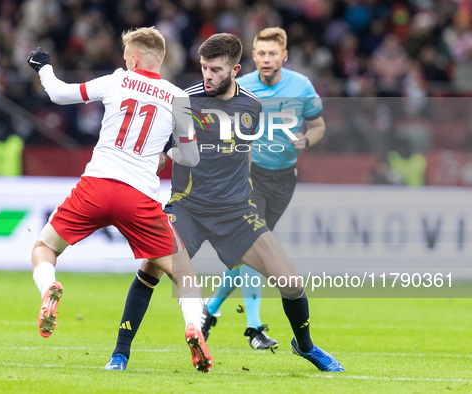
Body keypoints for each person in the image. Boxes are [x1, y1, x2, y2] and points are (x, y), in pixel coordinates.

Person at [105, 32, 343, 373]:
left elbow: (244, 156)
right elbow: (159, 154)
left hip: (235, 213)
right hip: (187, 208)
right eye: (203, 68)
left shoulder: (252, 107)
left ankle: (305, 347)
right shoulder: (183, 102)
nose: (207, 76)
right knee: (150, 269)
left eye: (215, 70)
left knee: (292, 283)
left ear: (235, 69)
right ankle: (120, 354)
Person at [26, 27, 212, 373]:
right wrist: (165, 152)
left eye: (127, 56)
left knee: (43, 247)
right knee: (184, 275)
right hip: (138, 195)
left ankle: (50, 286)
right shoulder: (178, 98)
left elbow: (60, 94)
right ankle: (192, 326)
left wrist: (43, 67)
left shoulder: (117, 80)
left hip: (96, 185)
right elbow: (191, 156)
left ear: (134, 58)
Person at [203, 27, 327, 349]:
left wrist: (306, 140)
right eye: (261, 53)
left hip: (284, 178)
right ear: (253, 56)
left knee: (251, 254)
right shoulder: (241, 87)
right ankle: (254, 328)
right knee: (255, 243)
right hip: (249, 175)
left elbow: (318, 124)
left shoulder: (301, 86)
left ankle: (210, 310)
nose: (266, 59)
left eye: (273, 53)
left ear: (284, 56)